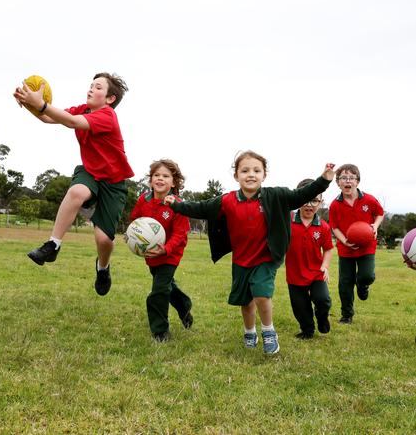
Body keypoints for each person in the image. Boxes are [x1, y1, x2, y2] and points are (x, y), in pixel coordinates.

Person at [164, 151, 335, 355]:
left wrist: (324, 180)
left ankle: (269, 332)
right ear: (236, 175)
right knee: (245, 302)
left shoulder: (276, 196)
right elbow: (200, 207)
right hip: (241, 260)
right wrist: (176, 204)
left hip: (267, 258)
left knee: (261, 294)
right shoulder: (227, 200)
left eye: (256, 170)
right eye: (245, 170)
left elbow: (302, 195)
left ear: (264, 174)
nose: (251, 174)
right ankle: (249, 331)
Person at [13, 73, 133, 296]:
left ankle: (103, 268)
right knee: (77, 191)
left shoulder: (107, 116)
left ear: (110, 99)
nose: (90, 89)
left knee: (104, 239)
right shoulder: (83, 109)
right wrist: (30, 103)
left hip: (113, 183)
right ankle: (53, 245)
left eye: (97, 87)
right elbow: (49, 117)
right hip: (89, 172)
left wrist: (41, 104)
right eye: (90, 85)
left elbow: (71, 122)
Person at [130, 159, 193, 342]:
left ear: (173, 182)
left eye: (166, 176)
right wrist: (131, 235)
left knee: (158, 291)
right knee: (166, 287)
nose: (160, 179)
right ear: (151, 180)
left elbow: (180, 234)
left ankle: (160, 331)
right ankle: (184, 305)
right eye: (156, 175)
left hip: (170, 255)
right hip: (151, 255)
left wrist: (165, 249)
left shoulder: (177, 205)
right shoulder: (144, 200)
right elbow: (134, 219)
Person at [328, 164, 384, 325]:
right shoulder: (335, 205)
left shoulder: (369, 199)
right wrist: (344, 240)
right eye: (343, 178)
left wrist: (375, 226)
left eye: (351, 178)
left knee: (367, 276)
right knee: (345, 282)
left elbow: (380, 214)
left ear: (357, 181)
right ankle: (347, 315)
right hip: (346, 248)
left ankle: (362, 285)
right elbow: (334, 227)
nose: (347, 181)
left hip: (367, 245)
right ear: (338, 182)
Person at [284, 179, 334, 339]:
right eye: (306, 200)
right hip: (294, 273)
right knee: (300, 306)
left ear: (321, 202)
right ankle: (307, 330)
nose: (309, 205)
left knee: (323, 299)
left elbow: (328, 249)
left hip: (316, 272)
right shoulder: (288, 221)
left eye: (314, 200)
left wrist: (325, 266)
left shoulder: (323, 226)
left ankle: (322, 317)